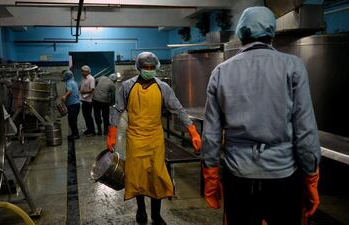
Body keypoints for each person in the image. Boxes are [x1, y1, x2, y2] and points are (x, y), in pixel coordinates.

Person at [201, 6, 321, 225]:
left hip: (238, 177)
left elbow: (210, 133)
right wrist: (311, 178)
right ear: (271, 32)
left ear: (241, 33)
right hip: (283, 176)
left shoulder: (221, 72)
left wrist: (210, 176)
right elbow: (305, 129)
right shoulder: (293, 67)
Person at [107, 52, 202, 225]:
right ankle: (141, 209)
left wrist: (192, 131)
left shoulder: (162, 87)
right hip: (135, 138)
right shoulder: (127, 86)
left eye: (152, 68)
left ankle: (156, 215)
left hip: (155, 138)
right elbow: (117, 110)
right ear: (139, 68)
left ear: (156, 68)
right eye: (146, 68)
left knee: (157, 176)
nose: (149, 70)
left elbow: (178, 109)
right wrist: (111, 135)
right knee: (137, 176)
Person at [61, 70, 80, 139]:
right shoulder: (74, 82)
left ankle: (76, 135)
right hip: (76, 104)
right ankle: (74, 134)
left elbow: (70, 90)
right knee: (72, 120)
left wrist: (64, 96)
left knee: (72, 120)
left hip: (73, 104)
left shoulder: (69, 82)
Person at [79, 65, 96, 136]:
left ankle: (92, 131)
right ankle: (88, 129)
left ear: (87, 71)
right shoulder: (83, 78)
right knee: (85, 116)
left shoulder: (91, 79)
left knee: (88, 116)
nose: (82, 72)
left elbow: (92, 89)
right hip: (83, 100)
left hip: (89, 101)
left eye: (83, 71)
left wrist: (84, 92)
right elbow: (82, 87)